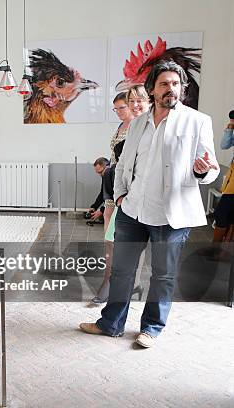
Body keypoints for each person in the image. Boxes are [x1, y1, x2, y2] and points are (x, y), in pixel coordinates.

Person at [80, 61, 220, 348]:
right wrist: (119, 196)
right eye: (164, 84)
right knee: (121, 271)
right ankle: (111, 323)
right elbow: (122, 166)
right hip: (133, 211)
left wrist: (202, 170)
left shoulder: (197, 121)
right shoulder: (139, 123)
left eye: (176, 84)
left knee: (163, 275)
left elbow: (211, 169)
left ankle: (152, 327)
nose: (171, 89)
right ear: (153, 90)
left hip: (171, 215)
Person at [92, 87, 151, 304]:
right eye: (116, 109)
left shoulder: (143, 126)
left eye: (122, 108)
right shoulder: (123, 126)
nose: (120, 111)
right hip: (114, 183)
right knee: (110, 233)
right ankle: (112, 279)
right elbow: (114, 158)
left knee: (127, 236)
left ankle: (121, 282)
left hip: (131, 187)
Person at [212, 110, 234, 241]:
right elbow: (224, 145)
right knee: (227, 215)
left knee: (221, 213)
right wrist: (231, 126)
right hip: (232, 175)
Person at [87, 158, 110, 224]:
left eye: (100, 172)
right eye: (98, 173)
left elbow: (112, 197)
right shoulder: (104, 176)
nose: (100, 175)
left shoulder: (111, 175)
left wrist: (101, 210)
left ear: (107, 166)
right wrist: (94, 206)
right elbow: (103, 193)